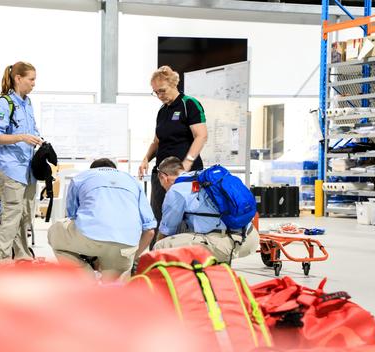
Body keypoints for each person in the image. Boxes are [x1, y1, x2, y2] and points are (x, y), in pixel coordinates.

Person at [47, 158, 156, 281]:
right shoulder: (133, 181)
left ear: (92, 169)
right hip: (125, 247)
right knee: (110, 288)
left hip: (90, 238)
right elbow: (150, 231)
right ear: (115, 170)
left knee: (55, 232)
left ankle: (86, 276)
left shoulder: (82, 177)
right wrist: (131, 257)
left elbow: (73, 216)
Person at [138, 65, 208, 235]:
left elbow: (201, 136)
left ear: (173, 84)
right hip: (162, 174)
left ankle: (185, 258)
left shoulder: (189, 104)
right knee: (160, 218)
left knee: (187, 219)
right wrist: (146, 158)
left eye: (162, 91)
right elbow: (157, 141)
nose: (159, 96)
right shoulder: (162, 111)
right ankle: (158, 258)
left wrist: (186, 164)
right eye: (156, 92)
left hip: (185, 174)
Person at [0, 62, 42, 263]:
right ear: (18, 78)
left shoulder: (27, 103)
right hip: (11, 168)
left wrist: (38, 140)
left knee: (25, 215)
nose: (34, 84)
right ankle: (1, 261)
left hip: (28, 170)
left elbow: (32, 130)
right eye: (31, 79)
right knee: (11, 215)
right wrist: (22, 137)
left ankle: (23, 257)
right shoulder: (4, 103)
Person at [153, 156, 258, 263]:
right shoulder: (204, 176)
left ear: (163, 177)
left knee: (161, 247)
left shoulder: (176, 190)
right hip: (250, 236)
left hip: (228, 243)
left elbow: (167, 230)